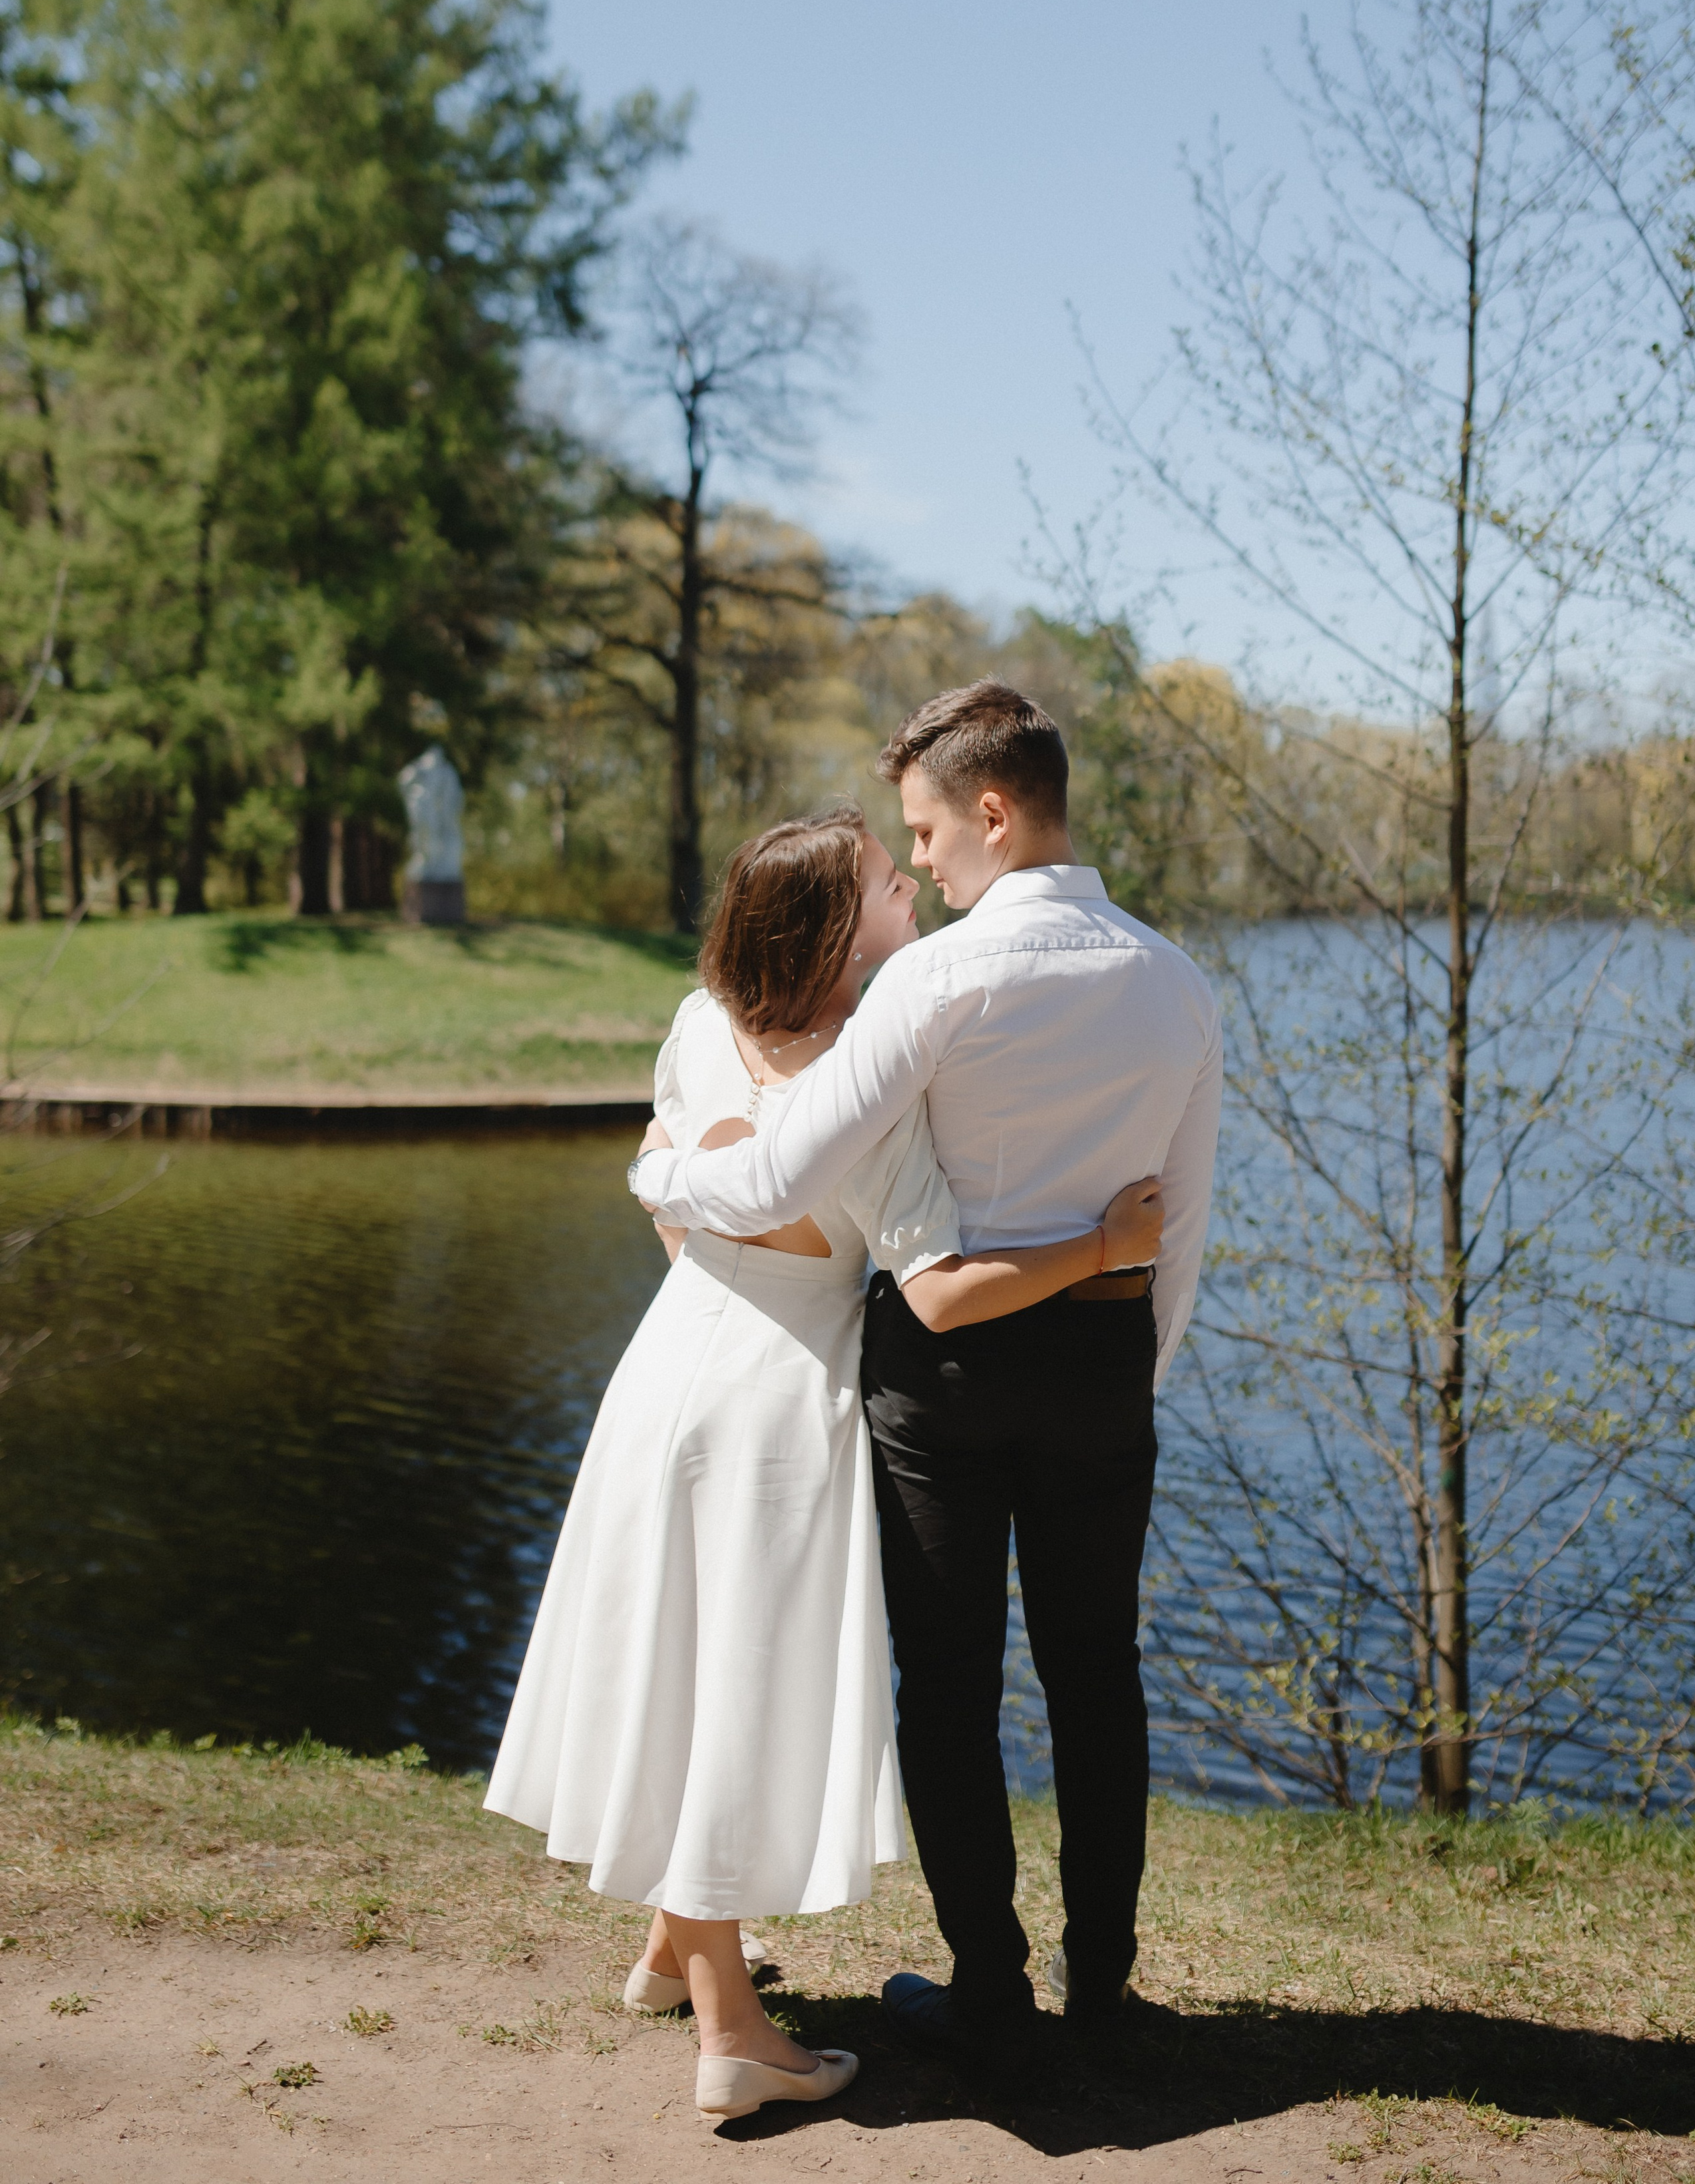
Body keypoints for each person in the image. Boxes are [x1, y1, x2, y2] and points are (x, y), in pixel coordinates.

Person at [486, 802, 1165, 2122]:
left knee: (673, 1664)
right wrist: (1101, 1248)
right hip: (778, 1407)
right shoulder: (871, 1081)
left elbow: (667, 1197)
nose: (911, 883)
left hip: (668, 1366)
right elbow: (944, 1294)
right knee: (732, 1701)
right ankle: (737, 2038)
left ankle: (671, 1957)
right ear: (841, 929)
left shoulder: (699, 1025)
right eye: (883, 882)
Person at [632, 682, 1222, 2082]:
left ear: (994, 811)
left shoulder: (937, 979)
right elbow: (1185, 1222)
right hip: (1101, 1353)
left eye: (926, 832)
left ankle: (989, 1997)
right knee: (1099, 1679)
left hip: (944, 1372)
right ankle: (1103, 1990)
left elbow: (780, 1174)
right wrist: (1126, 1367)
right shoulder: (1173, 980)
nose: (926, 865)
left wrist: (660, 1169)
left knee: (947, 1688)